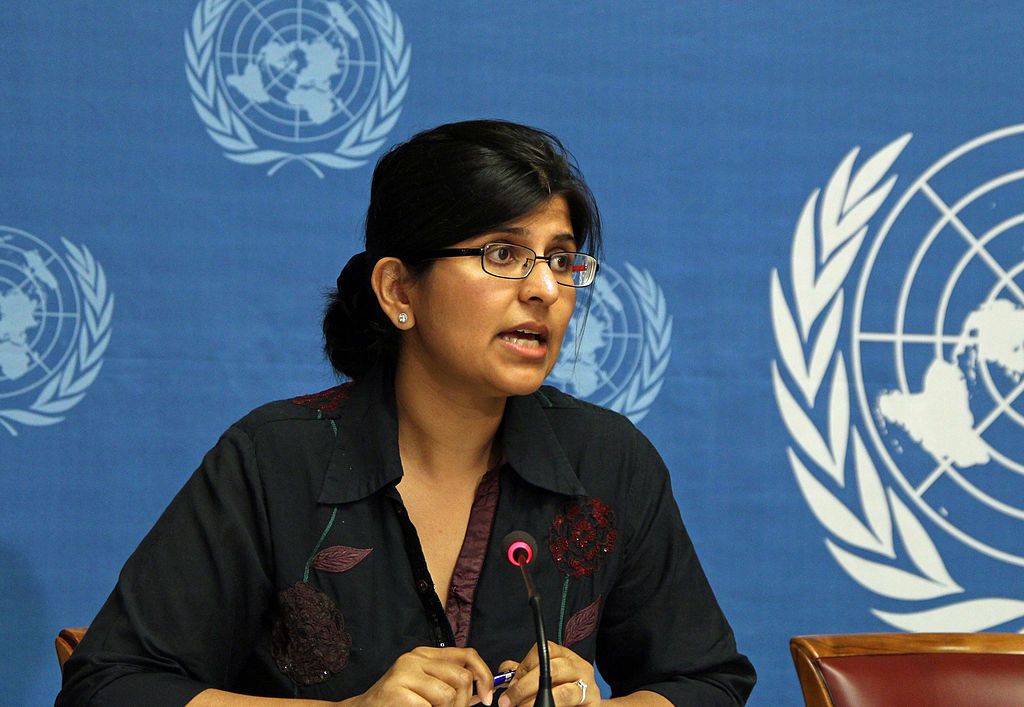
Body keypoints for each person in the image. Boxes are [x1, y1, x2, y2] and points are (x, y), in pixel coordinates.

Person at [57, 120, 755, 706]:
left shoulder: (606, 462)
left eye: (562, 259)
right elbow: (109, 683)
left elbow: (705, 679)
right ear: (399, 289)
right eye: (504, 253)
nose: (545, 288)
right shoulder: (275, 462)